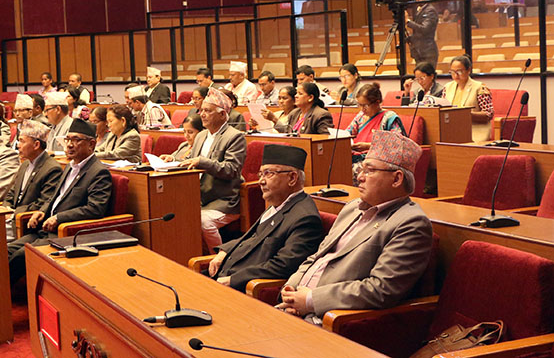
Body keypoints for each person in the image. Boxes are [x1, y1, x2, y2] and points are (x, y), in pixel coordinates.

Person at [279, 131, 433, 324]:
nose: (359, 177)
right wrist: (291, 289)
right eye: (361, 169)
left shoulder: (411, 223)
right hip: (295, 308)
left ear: (396, 179)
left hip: (329, 320)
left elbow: (380, 289)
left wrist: (310, 301)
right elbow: (318, 256)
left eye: (369, 170)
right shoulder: (352, 208)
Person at [7, 119, 112, 284]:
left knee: (21, 255)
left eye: (76, 140)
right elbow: (54, 197)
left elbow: (95, 208)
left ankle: (3, 293)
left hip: (65, 234)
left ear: (91, 144)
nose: (69, 145)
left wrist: (59, 218)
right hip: (44, 230)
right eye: (68, 139)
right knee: (6, 250)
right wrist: (42, 211)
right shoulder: (69, 166)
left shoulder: (98, 172)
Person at [207, 144, 323, 292]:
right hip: (222, 277)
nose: (261, 181)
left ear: (292, 178)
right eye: (261, 174)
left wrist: (233, 280)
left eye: (269, 174)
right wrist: (223, 252)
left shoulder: (305, 219)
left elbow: (283, 266)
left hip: (242, 289)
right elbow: (253, 238)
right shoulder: (278, 204)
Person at [180, 87, 247, 251]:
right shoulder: (201, 135)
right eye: (201, 110)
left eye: (207, 111)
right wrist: (172, 160)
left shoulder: (234, 137)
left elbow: (231, 169)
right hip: (198, 197)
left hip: (223, 200)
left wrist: (202, 162)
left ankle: (218, 258)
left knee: (204, 221)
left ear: (222, 114)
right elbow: (191, 161)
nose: (201, 114)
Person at [2, 120, 62, 240]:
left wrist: (13, 213)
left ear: (36, 145)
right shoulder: (25, 164)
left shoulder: (52, 169)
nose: (18, 145)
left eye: (22, 141)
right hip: (10, 218)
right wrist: (5, 208)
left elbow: (43, 202)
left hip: (26, 223)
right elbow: (12, 192)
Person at [345, 83, 406, 180]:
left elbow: (397, 143)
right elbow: (347, 134)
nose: (362, 109)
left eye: (365, 105)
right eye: (360, 105)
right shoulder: (360, 117)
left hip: (378, 161)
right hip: (356, 156)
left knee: (353, 170)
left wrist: (369, 146)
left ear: (377, 102)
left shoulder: (389, 118)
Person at [443, 55, 493, 142]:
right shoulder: (447, 87)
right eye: (452, 72)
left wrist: (465, 115)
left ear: (468, 70)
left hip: (475, 132)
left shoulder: (479, 87)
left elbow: (488, 114)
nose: (455, 75)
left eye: (459, 71)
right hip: (452, 131)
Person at [405, 0, 439, 67]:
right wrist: (408, 39)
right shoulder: (418, 10)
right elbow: (418, 33)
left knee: (427, 74)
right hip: (419, 52)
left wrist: (408, 21)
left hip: (427, 52)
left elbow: (425, 29)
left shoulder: (430, 10)